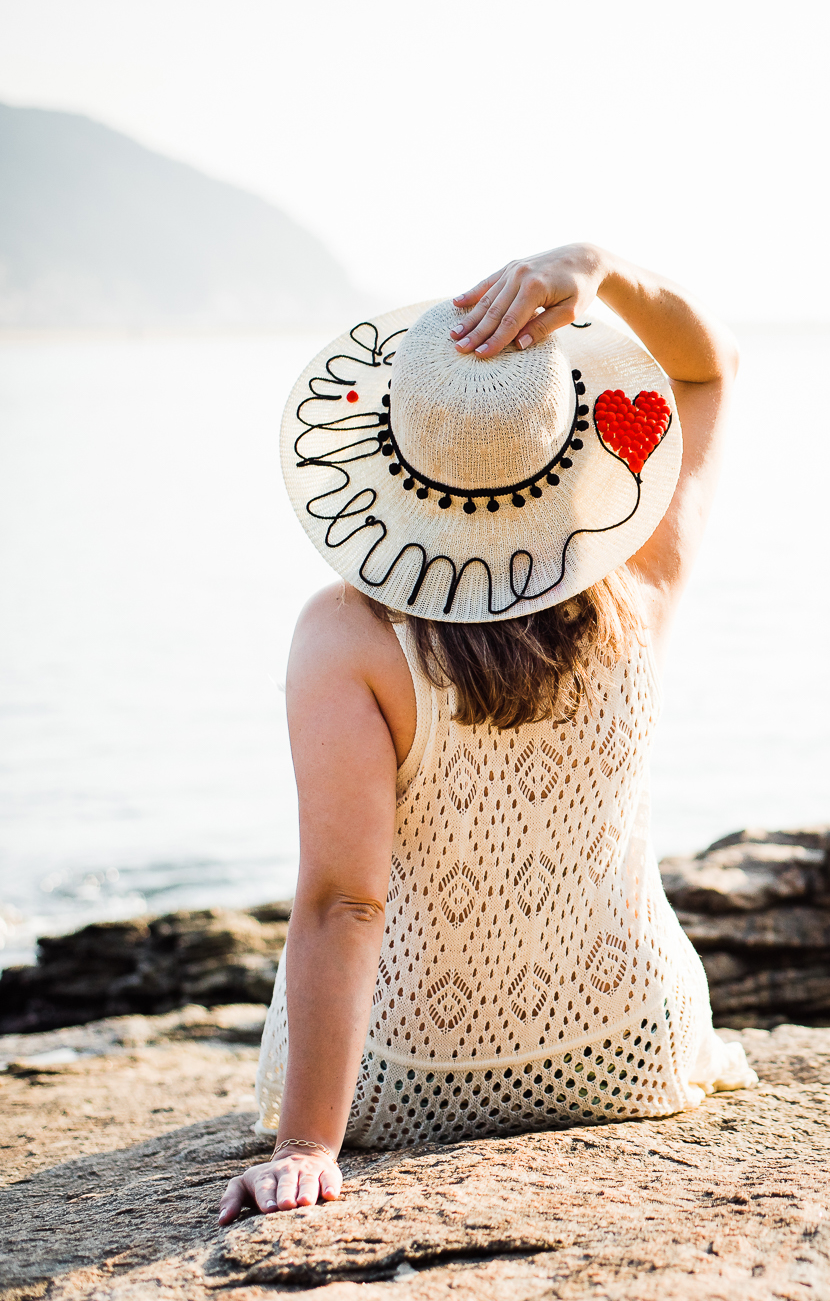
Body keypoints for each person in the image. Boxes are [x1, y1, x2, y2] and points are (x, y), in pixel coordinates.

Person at [220, 244, 754, 1226]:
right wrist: (600, 269)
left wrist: (306, 1145)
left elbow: (345, 901)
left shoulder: (346, 635)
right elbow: (706, 368)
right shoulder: (639, 578)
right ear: (566, 438)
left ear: (388, 450)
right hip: (630, 1045)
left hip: (402, 1076)